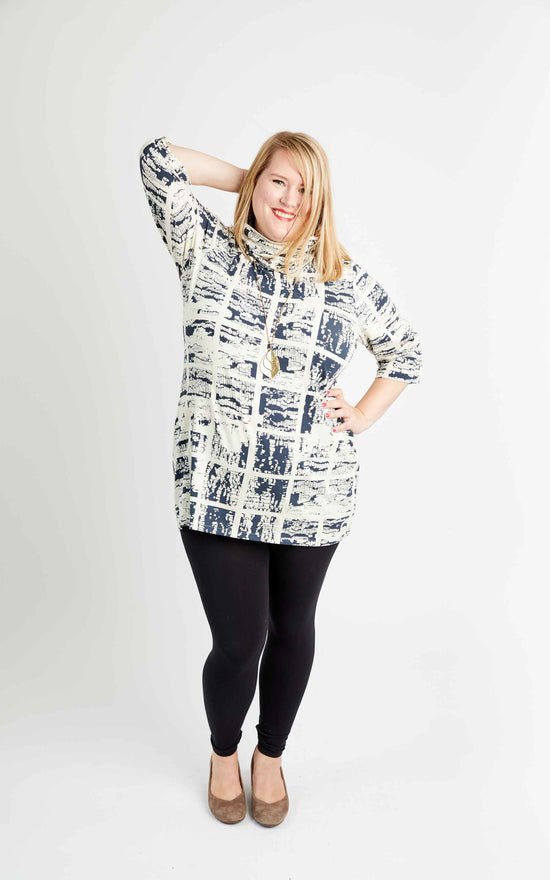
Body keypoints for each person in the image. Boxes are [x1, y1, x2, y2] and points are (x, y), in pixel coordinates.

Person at [138, 131, 423, 826]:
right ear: (256, 181)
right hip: (215, 487)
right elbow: (158, 160)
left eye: (306, 189)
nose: (290, 199)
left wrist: (361, 414)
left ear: (322, 201)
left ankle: (270, 755)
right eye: (278, 182)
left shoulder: (342, 277)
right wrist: (250, 182)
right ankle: (223, 752)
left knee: (292, 627)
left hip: (313, 493)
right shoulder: (206, 249)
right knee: (239, 643)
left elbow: (405, 352)